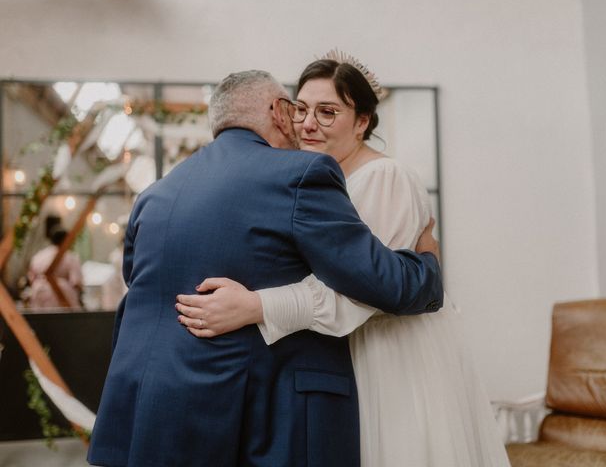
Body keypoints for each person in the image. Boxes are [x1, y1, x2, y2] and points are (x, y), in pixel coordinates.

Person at [88, 70, 443, 467]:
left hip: (150, 409)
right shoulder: (299, 176)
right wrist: (427, 264)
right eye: (296, 109)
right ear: (278, 111)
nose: (302, 124)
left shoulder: (155, 195)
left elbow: (137, 282)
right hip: (252, 414)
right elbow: (381, 282)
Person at [176, 55, 511, 466]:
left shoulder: (385, 178)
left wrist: (255, 307)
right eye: (301, 109)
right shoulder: (314, 182)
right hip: (338, 352)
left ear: (362, 122)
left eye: (328, 112)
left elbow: (366, 289)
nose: (308, 124)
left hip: (388, 355)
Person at [27, 217, 83, 309]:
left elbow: (31, 277)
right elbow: (76, 281)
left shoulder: (39, 255)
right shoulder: (70, 257)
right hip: (62, 295)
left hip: (38, 292)